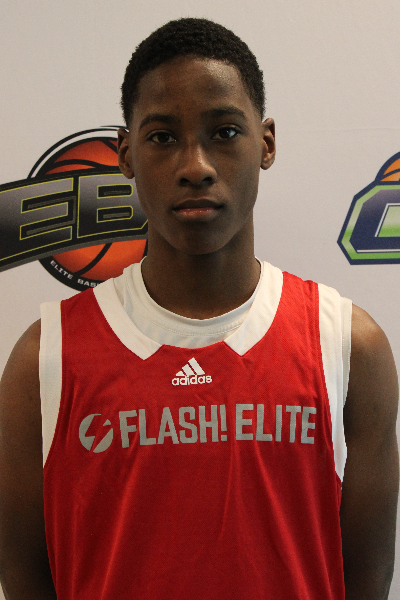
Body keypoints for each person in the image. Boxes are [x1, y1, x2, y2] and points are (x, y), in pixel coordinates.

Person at [0, 17, 398, 600]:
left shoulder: (347, 345)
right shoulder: (45, 360)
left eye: (224, 132)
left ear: (266, 143)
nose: (196, 166)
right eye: (163, 137)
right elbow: (23, 578)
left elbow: (366, 580)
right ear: (126, 153)